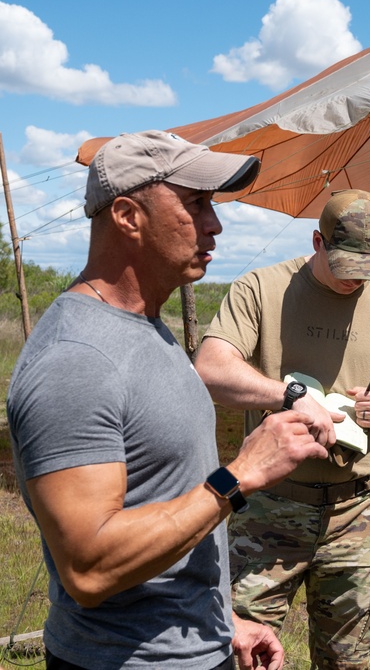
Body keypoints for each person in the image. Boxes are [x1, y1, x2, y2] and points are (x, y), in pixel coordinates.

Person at [7, 130, 331, 670]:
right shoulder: (77, 360)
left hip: (192, 648)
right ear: (128, 216)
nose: (215, 224)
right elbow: (90, 569)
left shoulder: (145, 329)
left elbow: (165, 498)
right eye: (196, 203)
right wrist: (241, 475)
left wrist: (223, 620)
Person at [195, 188, 370, 669]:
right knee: (238, 654)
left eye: (367, 269)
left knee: (350, 658)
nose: (355, 282)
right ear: (317, 242)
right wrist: (291, 397)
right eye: (344, 266)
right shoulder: (262, 289)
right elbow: (210, 368)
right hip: (269, 508)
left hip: (358, 512)